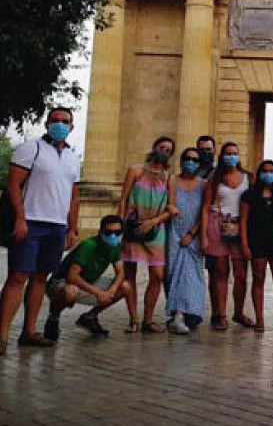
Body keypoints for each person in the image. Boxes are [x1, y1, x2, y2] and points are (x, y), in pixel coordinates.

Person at [0, 107, 81, 354]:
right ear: (47, 124)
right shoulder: (31, 148)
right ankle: (2, 336)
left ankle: (29, 331)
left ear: (72, 127)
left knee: (39, 278)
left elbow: (73, 196)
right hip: (31, 222)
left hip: (57, 226)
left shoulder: (72, 157)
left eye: (65, 121)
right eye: (55, 120)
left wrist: (72, 228)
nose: (59, 125)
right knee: (17, 277)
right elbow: (13, 183)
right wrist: (21, 219)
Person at [43, 215, 137, 340]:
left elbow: (120, 272)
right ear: (100, 232)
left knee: (126, 286)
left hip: (87, 282)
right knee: (70, 291)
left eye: (117, 232)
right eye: (108, 232)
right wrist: (98, 293)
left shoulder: (114, 247)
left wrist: (112, 290)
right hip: (61, 283)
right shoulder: (88, 246)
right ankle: (53, 319)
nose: (113, 236)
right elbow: (72, 277)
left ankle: (90, 317)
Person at [118, 136, 177, 334]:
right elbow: (123, 199)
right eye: (162, 147)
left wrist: (152, 222)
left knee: (158, 275)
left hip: (155, 229)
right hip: (132, 227)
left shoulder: (170, 178)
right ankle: (133, 319)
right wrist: (119, 226)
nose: (164, 151)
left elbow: (171, 208)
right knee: (129, 274)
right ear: (154, 147)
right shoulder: (135, 171)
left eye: (169, 150)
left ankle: (148, 319)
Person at [200, 142, 254, 331]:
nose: (231, 157)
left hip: (241, 226)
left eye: (234, 153)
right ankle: (221, 315)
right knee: (220, 272)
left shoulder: (248, 177)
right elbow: (205, 208)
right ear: (222, 156)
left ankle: (238, 312)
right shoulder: (215, 178)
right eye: (228, 154)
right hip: (217, 225)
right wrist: (204, 236)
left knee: (241, 274)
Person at [240, 160, 273, 332]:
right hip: (257, 242)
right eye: (265, 171)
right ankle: (260, 320)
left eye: (272, 171)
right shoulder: (249, 196)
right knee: (258, 279)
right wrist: (245, 244)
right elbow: (243, 221)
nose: (268, 174)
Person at [165, 148, 206, 334]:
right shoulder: (172, 180)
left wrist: (192, 233)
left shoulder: (204, 184)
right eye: (188, 159)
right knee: (173, 273)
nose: (191, 162)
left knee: (191, 275)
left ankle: (182, 314)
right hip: (174, 231)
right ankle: (177, 312)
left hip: (194, 235)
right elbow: (170, 205)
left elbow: (204, 212)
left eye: (195, 160)